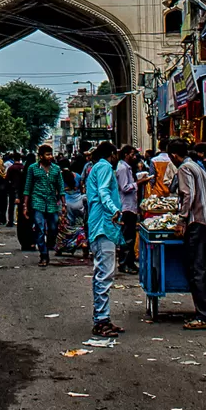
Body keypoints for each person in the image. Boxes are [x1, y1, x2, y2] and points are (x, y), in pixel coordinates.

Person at [167, 137, 206, 330]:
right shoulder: (197, 166)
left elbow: (187, 194)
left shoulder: (184, 168)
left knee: (197, 268)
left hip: (197, 222)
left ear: (173, 155)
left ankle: (204, 315)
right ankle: (205, 312)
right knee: (201, 267)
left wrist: (181, 220)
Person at [86, 140, 123, 336]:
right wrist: (115, 210)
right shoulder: (105, 167)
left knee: (101, 273)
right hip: (103, 225)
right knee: (105, 274)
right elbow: (103, 192)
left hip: (101, 224)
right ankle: (101, 320)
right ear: (111, 153)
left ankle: (102, 317)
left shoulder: (97, 168)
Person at [24, 142, 65, 267]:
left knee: (53, 228)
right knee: (40, 228)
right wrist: (25, 206)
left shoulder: (56, 169)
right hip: (38, 201)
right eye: (47, 154)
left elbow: (61, 187)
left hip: (52, 202)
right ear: (41, 156)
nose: (50, 157)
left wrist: (64, 204)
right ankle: (43, 254)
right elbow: (28, 187)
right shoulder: (33, 168)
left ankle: (47, 246)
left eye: (51, 154)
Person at [115, 145, 140, 273]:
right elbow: (124, 187)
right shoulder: (123, 168)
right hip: (126, 207)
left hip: (130, 206)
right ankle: (125, 263)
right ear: (126, 154)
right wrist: (138, 183)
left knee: (130, 236)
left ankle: (128, 262)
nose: (134, 157)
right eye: (132, 154)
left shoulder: (127, 168)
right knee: (127, 237)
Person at [5, 153, 25, 226]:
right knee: (21, 205)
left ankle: (11, 221)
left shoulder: (11, 168)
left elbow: (7, 179)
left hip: (12, 188)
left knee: (11, 205)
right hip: (21, 189)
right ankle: (20, 220)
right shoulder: (23, 167)